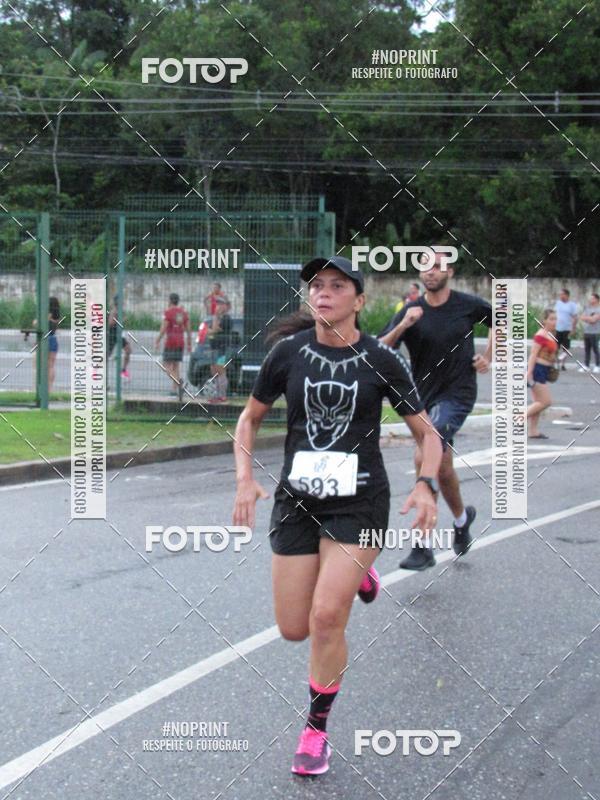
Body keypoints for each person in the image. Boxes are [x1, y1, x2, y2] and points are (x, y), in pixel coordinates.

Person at [233, 255, 442, 776]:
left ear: (359, 301)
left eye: (336, 286)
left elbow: (427, 434)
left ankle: (315, 730)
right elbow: (249, 418)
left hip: (361, 502)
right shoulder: (288, 354)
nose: (323, 293)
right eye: (316, 286)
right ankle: (359, 576)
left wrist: (425, 485)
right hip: (297, 503)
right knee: (293, 629)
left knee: (328, 617)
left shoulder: (381, 360)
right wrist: (244, 478)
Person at [379, 249, 492, 570]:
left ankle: (422, 545)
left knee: (424, 454)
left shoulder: (467, 305)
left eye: (438, 266)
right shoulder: (411, 309)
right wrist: (403, 326)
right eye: (424, 266)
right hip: (423, 398)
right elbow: (380, 347)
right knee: (441, 467)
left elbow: (503, 320)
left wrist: (489, 355)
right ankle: (461, 521)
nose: (430, 272)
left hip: (457, 394)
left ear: (450, 271)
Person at [526, 309, 558, 439]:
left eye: (555, 319)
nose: (554, 322)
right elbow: (533, 354)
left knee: (538, 401)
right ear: (544, 320)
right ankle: (518, 418)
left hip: (545, 370)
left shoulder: (550, 335)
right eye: (551, 319)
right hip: (537, 369)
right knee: (546, 401)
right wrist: (529, 372)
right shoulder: (540, 335)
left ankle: (533, 431)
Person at [155, 293, 191, 399]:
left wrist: (157, 340)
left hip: (170, 341)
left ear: (170, 301)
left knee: (165, 365)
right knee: (176, 365)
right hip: (180, 341)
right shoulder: (183, 313)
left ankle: (179, 384)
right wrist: (189, 343)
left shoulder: (168, 312)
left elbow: (164, 328)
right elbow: (188, 329)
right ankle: (174, 390)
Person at [208, 297, 233, 402]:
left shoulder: (226, 319)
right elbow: (209, 331)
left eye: (221, 304)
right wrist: (212, 329)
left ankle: (222, 395)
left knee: (221, 371)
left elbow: (213, 330)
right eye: (217, 304)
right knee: (213, 370)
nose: (218, 306)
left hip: (222, 349)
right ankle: (217, 394)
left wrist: (215, 317)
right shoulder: (219, 318)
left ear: (226, 306)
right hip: (214, 348)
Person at [107, 296, 132, 379]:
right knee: (107, 354)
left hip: (119, 334)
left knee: (128, 350)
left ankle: (123, 370)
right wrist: (122, 320)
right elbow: (110, 323)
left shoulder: (121, 311)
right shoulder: (114, 311)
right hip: (113, 334)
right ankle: (95, 369)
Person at [554, 288, 578, 370]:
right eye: (560, 294)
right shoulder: (558, 303)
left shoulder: (572, 305)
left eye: (562, 294)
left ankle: (563, 364)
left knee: (565, 348)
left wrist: (573, 329)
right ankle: (555, 363)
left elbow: (575, 318)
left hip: (567, 329)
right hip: (558, 328)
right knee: (555, 347)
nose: (560, 296)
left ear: (567, 295)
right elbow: (555, 315)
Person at [579, 292, 600, 373]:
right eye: (590, 298)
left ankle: (597, 365)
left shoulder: (599, 309)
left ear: (597, 299)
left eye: (592, 298)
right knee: (587, 350)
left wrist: (588, 318)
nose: (590, 300)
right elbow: (581, 317)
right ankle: (586, 365)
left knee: (595, 349)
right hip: (586, 331)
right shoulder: (587, 308)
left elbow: (594, 320)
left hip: (595, 332)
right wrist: (590, 318)